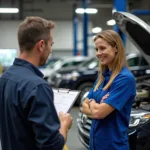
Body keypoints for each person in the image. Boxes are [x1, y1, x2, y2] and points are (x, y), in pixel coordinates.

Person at [0, 16, 73, 150]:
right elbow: (51, 146)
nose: (50, 50)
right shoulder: (37, 86)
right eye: (51, 45)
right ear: (41, 45)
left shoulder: (4, 78)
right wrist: (64, 125)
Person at [81, 30, 136, 150]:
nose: (98, 53)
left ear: (116, 48)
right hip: (95, 145)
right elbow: (83, 106)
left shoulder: (125, 79)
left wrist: (90, 102)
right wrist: (95, 105)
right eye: (96, 49)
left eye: (102, 48)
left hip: (113, 146)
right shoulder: (102, 77)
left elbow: (97, 113)